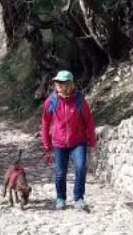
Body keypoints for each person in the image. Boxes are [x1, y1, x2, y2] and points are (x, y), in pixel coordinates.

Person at [40, 70, 97, 211]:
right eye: (56, 82)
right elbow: (45, 123)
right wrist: (46, 144)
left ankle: (79, 198)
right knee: (60, 172)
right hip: (59, 143)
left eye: (61, 82)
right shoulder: (51, 101)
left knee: (81, 167)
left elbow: (89, 122)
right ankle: (60, 198)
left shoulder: (79, 100)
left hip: (78, 141)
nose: (57, 84)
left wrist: (92, 142)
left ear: (69, 84)